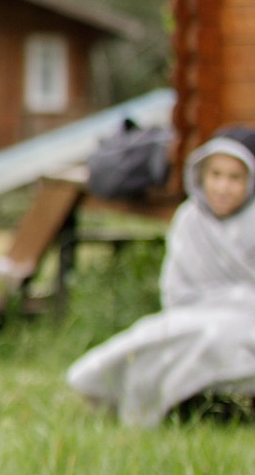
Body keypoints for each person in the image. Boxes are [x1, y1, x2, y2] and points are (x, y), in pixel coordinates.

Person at [67, 134, 255, 426]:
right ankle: (129, 404)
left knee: (219, 337)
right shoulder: (189, 220)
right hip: (192, 314)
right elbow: (176, 290)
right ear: (201, 177)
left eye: (234, 178)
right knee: (150, 337)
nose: (223, 187)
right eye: (216, 175)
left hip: (246, 319)